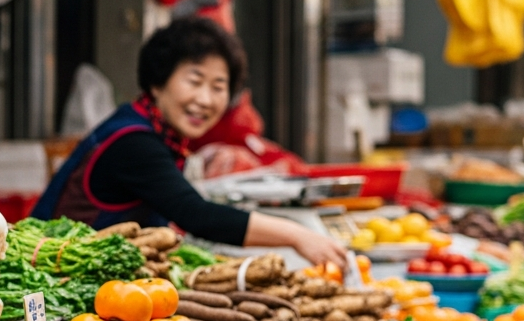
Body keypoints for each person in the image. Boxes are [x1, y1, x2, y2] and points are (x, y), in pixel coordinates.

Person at [32, 17, 347, 268]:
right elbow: (194, 214)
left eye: (218, 87)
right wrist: (295, 236)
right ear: (158, 82)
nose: (205, 99)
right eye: (194, 81)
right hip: (55, 282)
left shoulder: (155, 132)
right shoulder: (133, 142)